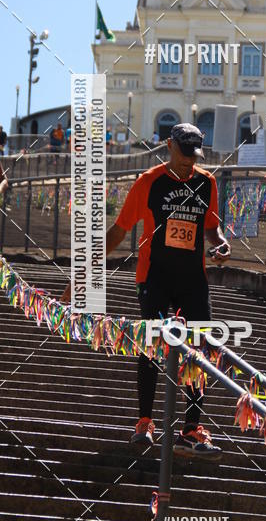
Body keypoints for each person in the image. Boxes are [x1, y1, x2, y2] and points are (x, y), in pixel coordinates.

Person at [61, 123, 230, 459]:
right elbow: (118, 232)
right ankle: (145, 422)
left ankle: (191, 429)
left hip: (193, 279)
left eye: (194, 156)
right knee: (151, 342)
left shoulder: (206, 182)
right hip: (154, 276)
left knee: (200, 347)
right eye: (183, 155)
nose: (188, 162)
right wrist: (82, 275)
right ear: (169, 146)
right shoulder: (148, 182)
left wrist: (221, 243)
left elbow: (211, 225)